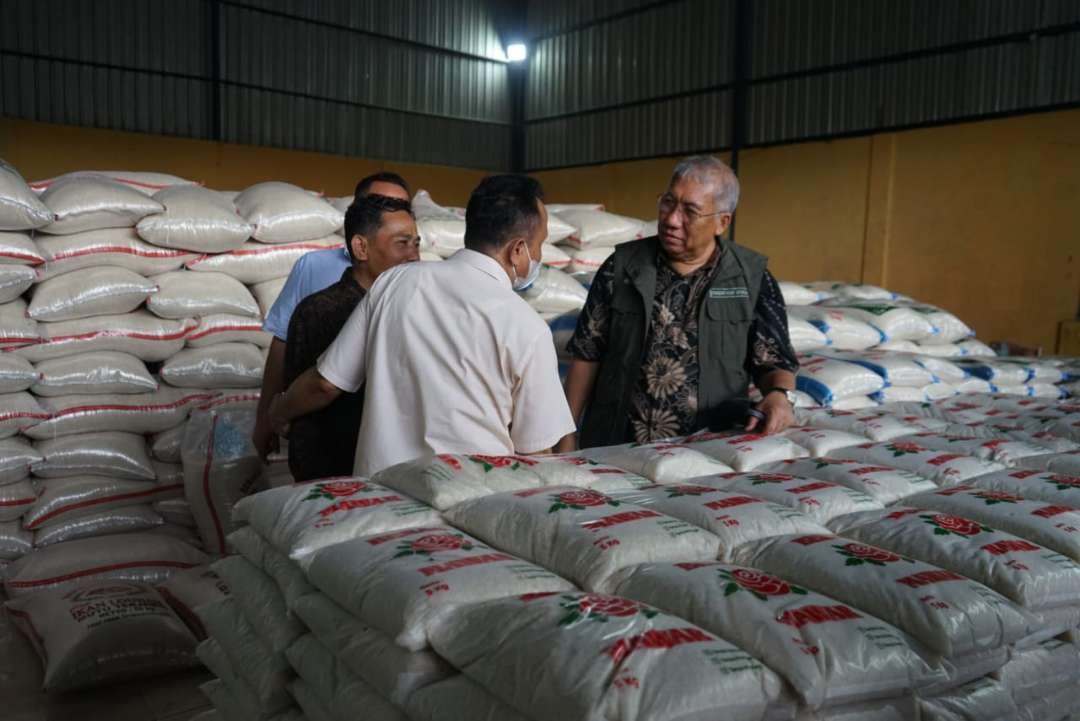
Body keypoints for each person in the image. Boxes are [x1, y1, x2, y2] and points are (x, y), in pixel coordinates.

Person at [269, 174, 574, 476]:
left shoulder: (394, 281)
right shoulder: (527, 326)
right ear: (517, 250)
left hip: (384, 499)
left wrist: (279, 411)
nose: (539, 256)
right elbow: (537, 454)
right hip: (472, 504)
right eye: (540, 245)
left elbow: (325, 383)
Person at [556, 155, 799, 452]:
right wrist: (566, 436)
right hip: (616, 446)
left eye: (690, 211)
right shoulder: (621, 268)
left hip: (710, 451)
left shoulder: (751, 278)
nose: (671, 219)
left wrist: (779, 394)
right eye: (668, 202)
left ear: (722, 221)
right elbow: (587, 355)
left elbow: (774, 361)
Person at [252, 171, 412, 460]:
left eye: (402, 205)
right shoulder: (315, 271)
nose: (395, 212)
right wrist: (269, 415)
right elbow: (285, 347)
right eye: (380, 203)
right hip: (326, 438)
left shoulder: (414, 281)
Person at [282, 195, 420, 481]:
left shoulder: (415, 308)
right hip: (336, 476)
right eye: (402, 243)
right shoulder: (318, 311)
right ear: (361, 247)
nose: (414, 256)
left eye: (416, 244)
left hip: (400, 470)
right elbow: (310, 402)